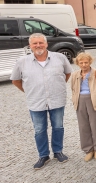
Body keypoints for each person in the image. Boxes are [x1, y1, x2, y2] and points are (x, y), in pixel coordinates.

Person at [11, 33, 73, 169]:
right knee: (39, 130)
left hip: (57, 99)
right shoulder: (22, 62)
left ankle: (58, 151)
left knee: (58, 127)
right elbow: (15, 80)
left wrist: (57, 87)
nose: (38, 45)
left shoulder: (60, 58)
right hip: (36, 101)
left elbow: (68, 73)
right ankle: (43, 155)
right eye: (35, 43)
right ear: (30, 46)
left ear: (46, 44)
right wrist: (28, 91)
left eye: (41, 43)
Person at [69, 52, 96, 162]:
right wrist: (75, 101)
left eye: (86, 62)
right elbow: (73, 89)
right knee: (83, 127)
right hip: (80, 101)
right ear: (77, 63)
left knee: (95, 126)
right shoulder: (74, 75)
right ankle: (88, 149)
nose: (84, 65)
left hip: (94, 101)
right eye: (81, 63)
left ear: (90, 62)